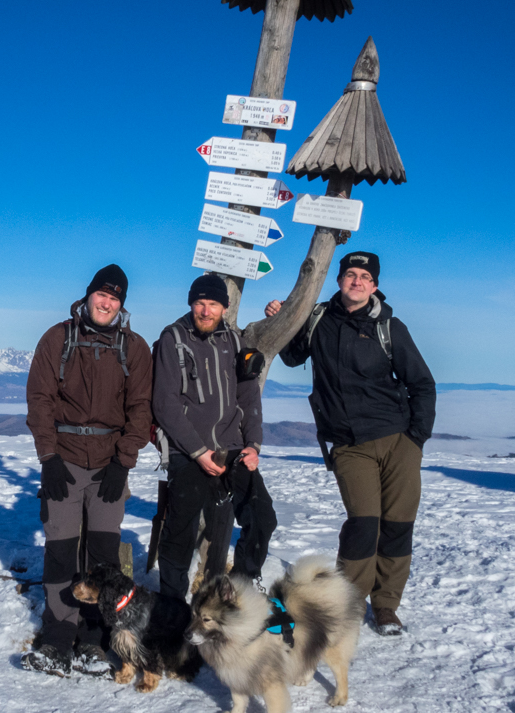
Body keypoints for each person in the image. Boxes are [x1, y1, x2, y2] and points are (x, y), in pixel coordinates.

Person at [265, 251, 435, 635]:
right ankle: (351, 605)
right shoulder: (320, 318)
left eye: (364, 276)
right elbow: (292, 357)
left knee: (397, 525)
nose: (356, 281)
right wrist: (282, 317)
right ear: (339, 279)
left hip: (398, 440)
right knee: (363, 524)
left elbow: (422, 384)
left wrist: (416, 439)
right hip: (349, 443)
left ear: (374, 285)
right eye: (350, 275)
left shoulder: (389, 326)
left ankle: (387, 606)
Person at [21, 264, 153, 677]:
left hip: (108, 466)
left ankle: (95, 639)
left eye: (115, 298)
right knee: (61, 551)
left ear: (121, 305)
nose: (107, 302)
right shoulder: (58, 339)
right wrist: (48, 459)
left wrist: (122, 463)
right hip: (64, 457)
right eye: (102, 294)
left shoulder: (134, 349)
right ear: (89, 294)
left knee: (103, 556)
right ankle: (59, 637)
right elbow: (39, 400)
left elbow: (140, 410)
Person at [152, 273, 276, 602]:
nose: (206, 311)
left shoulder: (236, 343)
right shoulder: (173, 339)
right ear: (191, 304)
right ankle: (172, 603)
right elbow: (165, 405)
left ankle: (239, 587)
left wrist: (253, 444)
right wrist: (197, 452)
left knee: (262, 517)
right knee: (181, 528)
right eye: (200, 303)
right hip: (188, 451)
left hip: (233, 448)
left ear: (226, 306)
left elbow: (249, 399)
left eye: (213, 304)